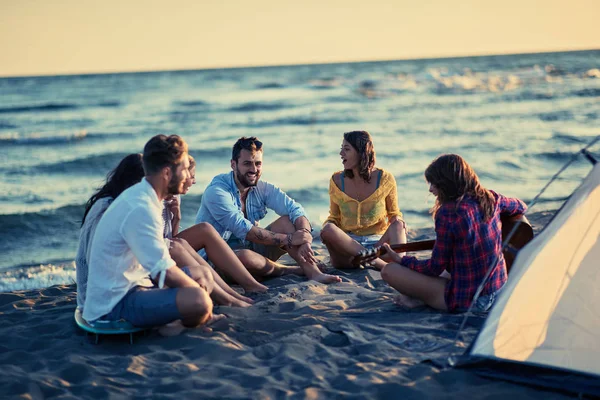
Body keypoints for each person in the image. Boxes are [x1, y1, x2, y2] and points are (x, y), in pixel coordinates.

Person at [83, 135, 214, 328]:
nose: (188, 176)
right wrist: (200, 296)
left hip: (138, 284)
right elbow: (164, 272)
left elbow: (159, 263)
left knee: (203, 274)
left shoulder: (146, 197)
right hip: (115, 304)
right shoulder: (141, 207)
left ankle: (177, 320)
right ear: (167, 173)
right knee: (199, 300)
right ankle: (174, 329)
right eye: (185, 169)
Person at [380, 154, 527, 312]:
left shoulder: (449, 214)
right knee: (448, 268)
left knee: (389, 271)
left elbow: (434, 267)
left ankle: (423, 300)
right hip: (498, 289)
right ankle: (423, 298)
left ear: (447, 184)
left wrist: (401, 260)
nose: (430, 189)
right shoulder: (491, 198)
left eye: (434, 184)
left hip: (471, 301)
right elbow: (521, 206)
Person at [191, 136, 341, 284]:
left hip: (251, 251)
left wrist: (305, 237)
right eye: (247, 164)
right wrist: (289, 239)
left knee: (287, 221)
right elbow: (244, 229)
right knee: (244, 256)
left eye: (258, 164)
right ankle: (289, 270)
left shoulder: (261, 188)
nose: (253, 169)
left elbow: (295, 209)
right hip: (219, 262)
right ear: (233, 164)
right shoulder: (217, 191)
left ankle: (313, 273)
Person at [162, 155, 267, 304]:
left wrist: (177, 217)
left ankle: (247, 286)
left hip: (167, 244)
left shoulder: (174, 195)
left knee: (204, 229)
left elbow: (171, 236)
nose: (194, 181)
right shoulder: (154, 200)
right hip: (156, 252)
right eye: (191, 176)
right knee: (178, 245)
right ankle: (228, 297)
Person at [320, 130, 407, 270]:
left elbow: (394, 214)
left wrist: (398, 220)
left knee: (398, 225)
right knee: (328, 228)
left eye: (346, 149)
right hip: (348, 249)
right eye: (341, 149)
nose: (341, 154)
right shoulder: (336, 180)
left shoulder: (385, 179)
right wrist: (327, 229)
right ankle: (380, 264)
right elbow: (334, 217)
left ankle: (378, 261)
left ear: (361, 152)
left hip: (378, 246)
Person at [75, 153, 145, 311]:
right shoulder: (106, 209)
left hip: (109, 288)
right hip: (99, 296)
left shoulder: (115, 203)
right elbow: (95, 259)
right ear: (133, 182)